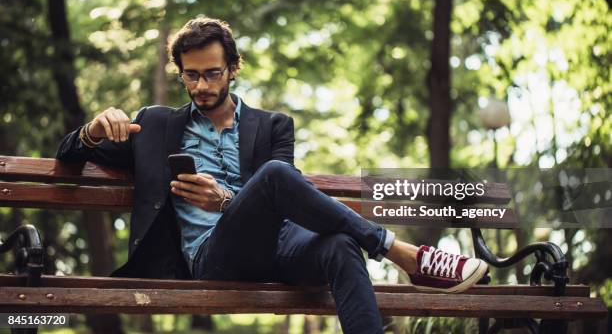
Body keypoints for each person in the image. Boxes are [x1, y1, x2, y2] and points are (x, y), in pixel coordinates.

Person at [57, 17, 488, 333]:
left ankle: (390, 256)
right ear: (181, 72)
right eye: (191, 75)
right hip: (212, 258)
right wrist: (92, 131)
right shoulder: (155, 125)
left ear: (233, 68)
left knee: (338, 243)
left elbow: (285, 197)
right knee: (276, 174)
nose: (202, 85)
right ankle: (403, 254)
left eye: (212, 73)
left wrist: (225, 198)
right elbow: (68, 155)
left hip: (280, 247)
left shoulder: (273, 125)